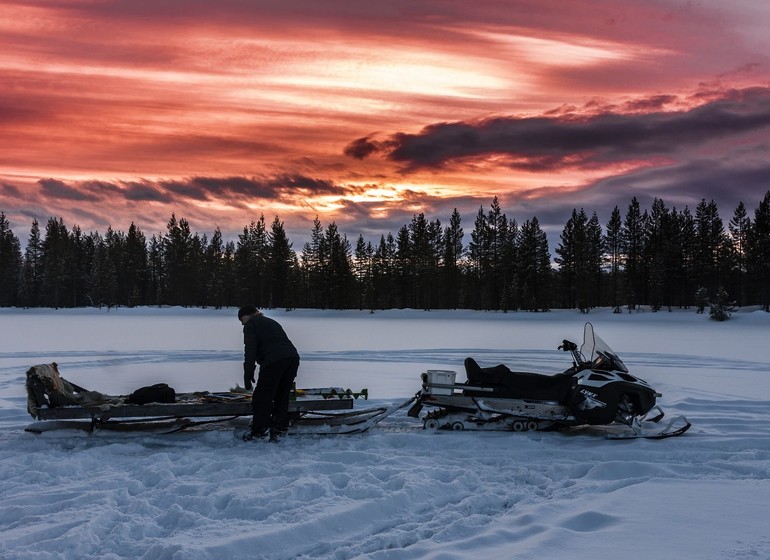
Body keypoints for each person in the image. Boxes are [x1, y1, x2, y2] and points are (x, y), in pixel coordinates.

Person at [238, 305, 300, 442]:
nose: (242, 323)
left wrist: (248, 372)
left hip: (274, 361)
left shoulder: (250, 325)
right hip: (292, 359)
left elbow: (250, 349)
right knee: (281, 395)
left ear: (247, 316)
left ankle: (259, 432)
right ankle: (279, 429)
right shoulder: (271, 321)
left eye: (241, 320)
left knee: (261, 397)